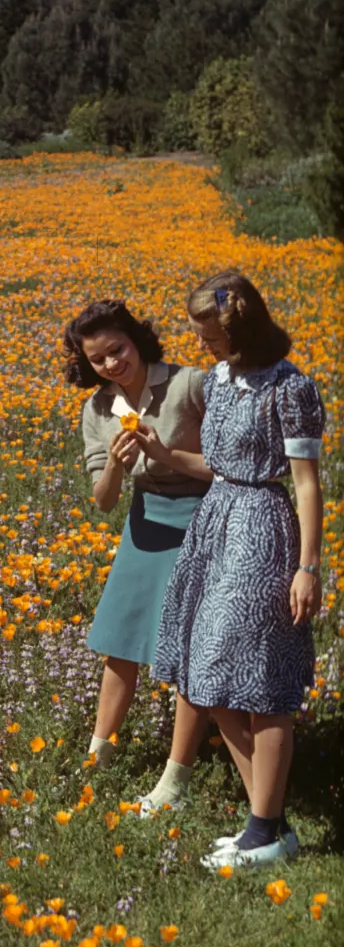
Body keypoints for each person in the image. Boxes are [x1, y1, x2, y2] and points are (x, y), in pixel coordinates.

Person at [151, 270, 324, 869]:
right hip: (216, 526)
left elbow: (307, 486)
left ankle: (263, 831)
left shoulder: (289, 387)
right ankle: (270, 826)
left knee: (263, 681)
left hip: (264, 530)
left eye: (209, 335)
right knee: (209, 673)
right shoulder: (222, 380)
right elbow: (217, 463)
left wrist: (307, 566)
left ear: (242, 326)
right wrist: (163, 454)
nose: (201, 346)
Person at [64, 300, 213, 813]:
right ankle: (97, 755)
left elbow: (231, 464)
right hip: (145, 520)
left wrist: (164, 454)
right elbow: (103, 500)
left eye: (117, 349)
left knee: (186, 649)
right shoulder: (98, 410)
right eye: (98, 359)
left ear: (136, 341)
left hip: (201, 516)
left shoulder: (189, 385)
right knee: (119, 640)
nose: (111, 364)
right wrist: (118, 469)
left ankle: (176, 779)